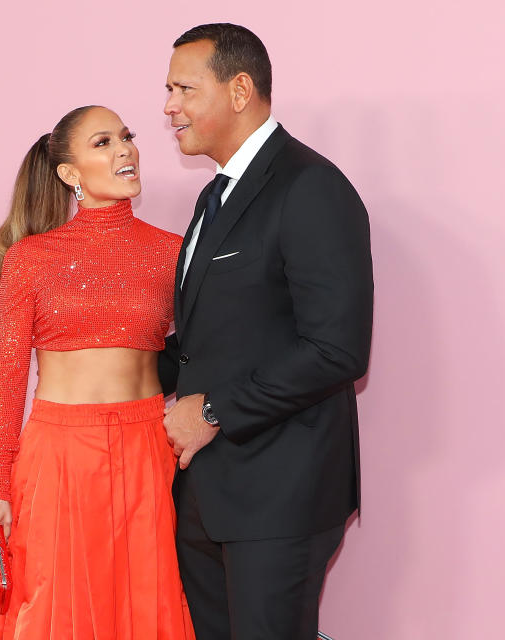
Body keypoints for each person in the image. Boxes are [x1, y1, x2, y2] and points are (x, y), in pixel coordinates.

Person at [0, 106, 195, 640]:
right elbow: (8, 376)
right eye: (103, 142)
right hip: (60, 455)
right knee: (57, 608)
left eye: (126, 137)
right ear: (69, 174)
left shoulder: (170, 252)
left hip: (149, 450)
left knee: (143, 605)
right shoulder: (31, 259)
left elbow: (201, 350)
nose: (124, 150)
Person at [159, 24, 374, 640]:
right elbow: (204, 342)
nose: (169, 106)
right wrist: (107, 365)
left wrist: (216, 411)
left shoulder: (311, 188)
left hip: (280, 494)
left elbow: (337, 348)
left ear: (239, 89)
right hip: (206, 493)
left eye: (183, 88)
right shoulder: (213, 196)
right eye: (168, 89)